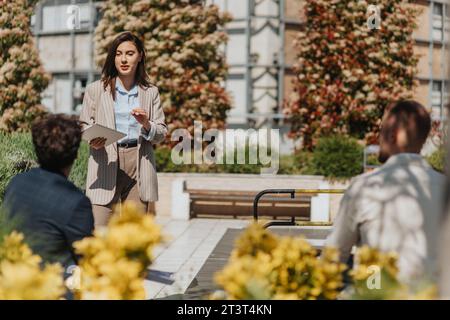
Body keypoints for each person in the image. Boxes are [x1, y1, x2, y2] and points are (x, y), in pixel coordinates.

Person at [326, 100, 446, 284]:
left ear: (392, 135)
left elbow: (332, 259)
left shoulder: (364, 188)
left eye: (381, 131)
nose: (377, 138)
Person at [80, 31, 167, 228]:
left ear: (140, 56)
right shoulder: (96, 89)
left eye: (129, 53)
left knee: (133, 237)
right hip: (105, 159)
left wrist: (146, 123)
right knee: (97, 232)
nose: (123, 59)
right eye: (118, 54)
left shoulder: (150, 92)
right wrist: (92, 139)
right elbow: (84, 123)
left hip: (139, 162)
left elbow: (161, 133)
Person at [2, 114, 94, 269]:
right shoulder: (76, 202)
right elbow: (88, 258)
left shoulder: (16, 182)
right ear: (76, 155)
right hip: (49, 283)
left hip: (11, 274)